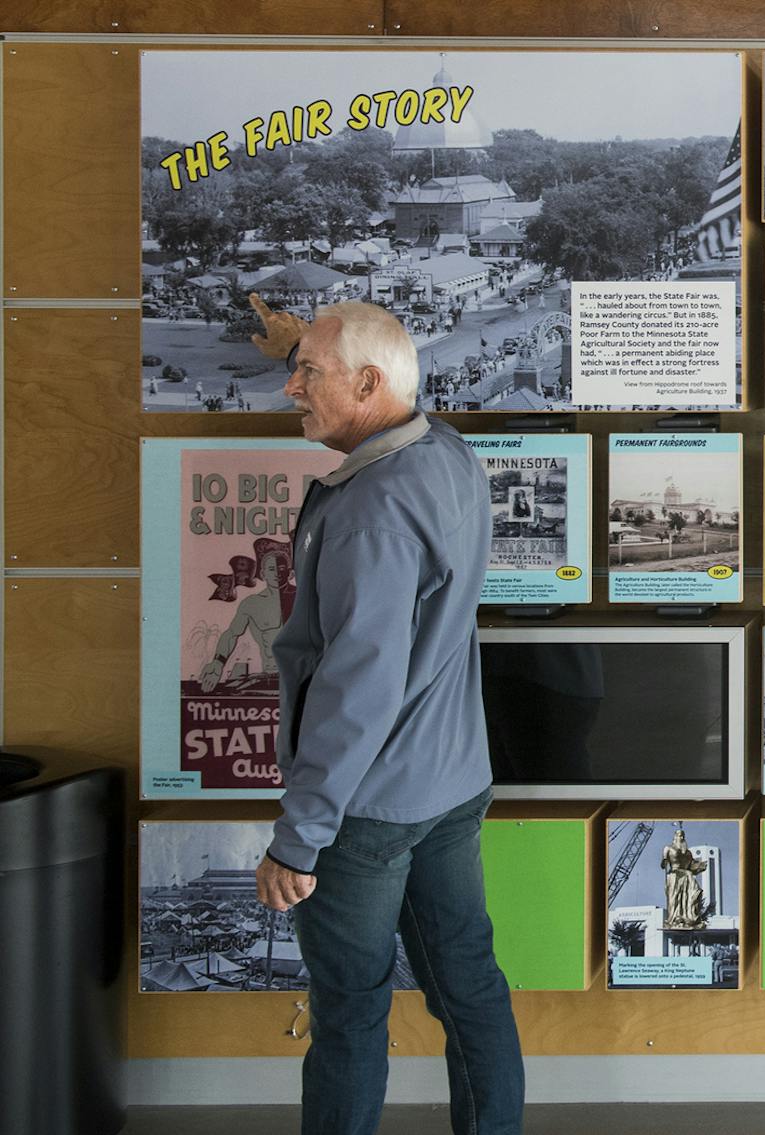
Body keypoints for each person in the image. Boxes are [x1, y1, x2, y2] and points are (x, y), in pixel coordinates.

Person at [247, 293, 525, 1134]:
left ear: (368, 384)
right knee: (467, 982)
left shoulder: (370, 513)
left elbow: (355, 690)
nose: (292, 387)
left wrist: (299, 838)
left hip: (364, 812)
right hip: (450, 786)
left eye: (308, 372)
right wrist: (305, 346)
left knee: (349, 1009)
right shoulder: (446, 452)